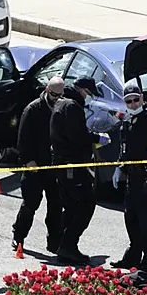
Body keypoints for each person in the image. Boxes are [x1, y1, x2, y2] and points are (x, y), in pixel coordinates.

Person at [110, 82, 147, 273]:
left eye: (136, 100)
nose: (133, 104)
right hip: (132, 178)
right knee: (131, 219)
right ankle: (133, 256)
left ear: (142, 98)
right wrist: (119, 166)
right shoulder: (127, 120)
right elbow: (125, 147)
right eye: (129, 101)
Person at [50, 76, 107, 265]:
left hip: (63, 163)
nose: (90, 97)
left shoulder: (61, 103)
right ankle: (68, 245)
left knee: (72, 206)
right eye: (89, 93)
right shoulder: (72, 106)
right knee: (86, 204)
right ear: (83, 90)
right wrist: (96, 138)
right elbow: (77, 136)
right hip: (72, 164)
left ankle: (64, 247)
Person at [11, 76, 64, 254]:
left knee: (56, 205)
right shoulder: (33, 109)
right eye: (54, 94)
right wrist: (28, 160)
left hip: (53, 165)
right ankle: (18, 236)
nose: (57, 98)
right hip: (34, 166)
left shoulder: (61, 107)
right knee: (30, 204)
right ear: (47, 90)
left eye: (60, 94)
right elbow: (23, 138)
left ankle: (54, 241)